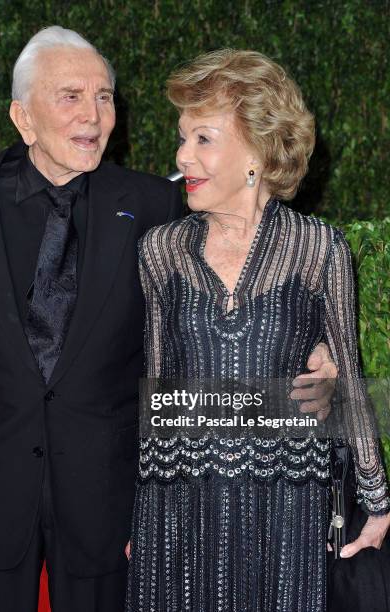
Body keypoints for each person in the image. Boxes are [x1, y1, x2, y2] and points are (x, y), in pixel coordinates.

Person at [0, 26, 336, 612]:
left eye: (105, 96)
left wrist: (313, 346)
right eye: (71, 96)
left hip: (107, 498)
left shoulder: (159, 206)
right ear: (22, 117)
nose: (94, 115)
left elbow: (236, 280)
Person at [126, 49, 390, 612]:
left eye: (203, 138)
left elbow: (350, 383)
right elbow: (154, 391)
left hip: (284, 511)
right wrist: (137, 512)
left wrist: (376, 499)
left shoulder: (320, 250)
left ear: (258, 150)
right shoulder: (160, 251)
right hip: (180, 509)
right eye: (182, 137)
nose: (181, 156)